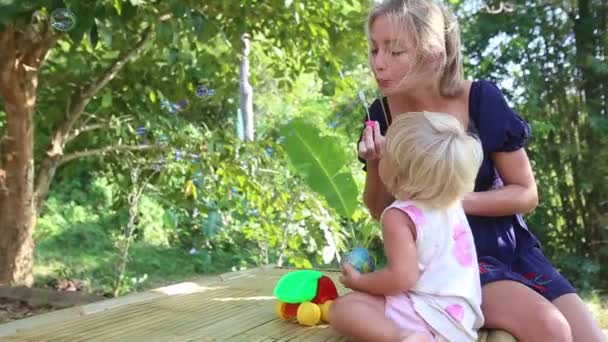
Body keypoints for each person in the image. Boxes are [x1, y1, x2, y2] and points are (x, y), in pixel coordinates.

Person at [339, 0, 606, 341]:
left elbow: (526, 193)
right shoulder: (380, 115)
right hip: (444, 260)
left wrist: (447, 200)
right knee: (549, 328)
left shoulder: (481, 99)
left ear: (433, 53)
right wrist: (375, 163)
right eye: (374, 49)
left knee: (590, 337)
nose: (378, 63)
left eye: (395, 51)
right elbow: (381, 210)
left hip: (510, 247)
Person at [330, 111, 485, 341]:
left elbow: (402, 278)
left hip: (428, 315)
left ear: (399, 172)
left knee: (343, 308)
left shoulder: (398, 216)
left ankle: (404, 336)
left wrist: (361, 282)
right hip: (462, 321)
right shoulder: (450, 202)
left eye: (387, 155)